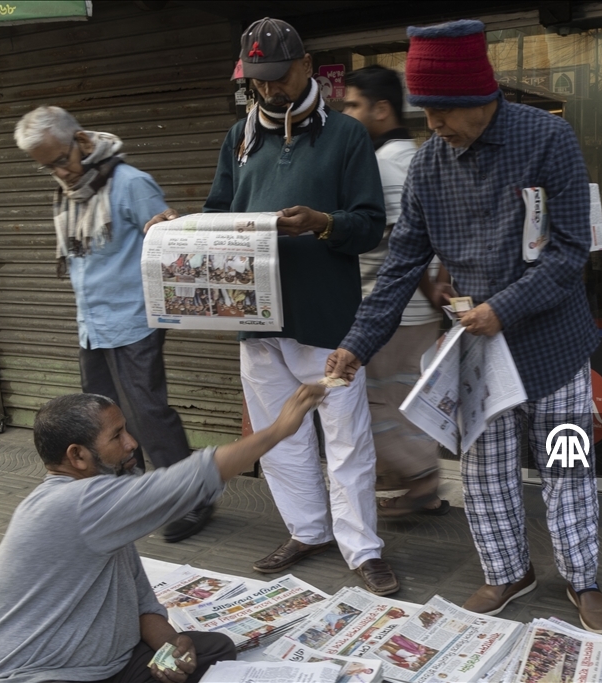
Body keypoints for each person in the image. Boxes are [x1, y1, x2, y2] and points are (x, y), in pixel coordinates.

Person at [326, 20, 602, 635]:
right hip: (478, 350)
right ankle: (509, 572)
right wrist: (356, 344)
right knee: (486, 473)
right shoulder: (430, 165)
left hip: (552, 339)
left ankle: (582, 578)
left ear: (477, 99)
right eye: (424, 111)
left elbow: (569, 252)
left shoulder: (548, 138)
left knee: (566, 466)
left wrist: (503, 309)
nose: (431, 125)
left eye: (440, 111)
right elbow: (404, 261)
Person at [145, 18, 396, 595]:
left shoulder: (347, 136)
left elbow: (370, 226)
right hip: (254, 319)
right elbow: (217, 212)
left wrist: (323, 223)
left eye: (278, 77)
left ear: (306, 66)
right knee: (277, 435)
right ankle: (308, 530)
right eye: (257, 81)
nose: (269, 90)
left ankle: (363, 548)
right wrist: (177, 226)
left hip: (325, 318)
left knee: (346, 437)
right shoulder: (240, 136)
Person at [0, 383, 325, 683]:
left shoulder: (105, 507)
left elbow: (141, 601)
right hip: (30, 673)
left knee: (212, 650)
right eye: (117, 436)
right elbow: (186, 480)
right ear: (78, 456)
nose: (131, 443)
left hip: (99, 661)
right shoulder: (74, 505)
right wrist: (278, 430)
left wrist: (171, 649)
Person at [13, 106, 211, 543]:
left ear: (82, 142)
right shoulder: (69, 191)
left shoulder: (130, 184)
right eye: (46, 166)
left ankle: (192, 499)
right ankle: (127, 493)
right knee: (98, 418)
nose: (59, 171)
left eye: (61, 159)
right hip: (93, 322)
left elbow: (169, 246)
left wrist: (170, 230)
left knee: (147, 413)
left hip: (136, 319)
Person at [343, 64, 451, 516]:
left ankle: (422, 480)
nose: (346, 114)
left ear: (381, 109)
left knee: (373, 404)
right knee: (406, 401)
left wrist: (429, 291)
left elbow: (404, 248)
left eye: (352, 105)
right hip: (416, 311)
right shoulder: (417, 157)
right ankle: (417, 482)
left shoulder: (384, 165)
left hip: (394, 312)